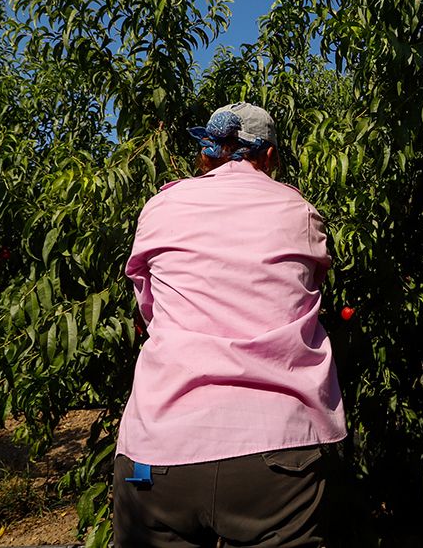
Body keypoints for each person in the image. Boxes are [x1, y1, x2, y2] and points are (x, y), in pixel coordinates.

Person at [113, 102, 347, 548]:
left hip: (157, 452)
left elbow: (150, 308)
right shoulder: (299, 212)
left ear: (206, 154)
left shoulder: (160, 208)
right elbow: (310, 289)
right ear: (271, 156)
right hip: (277, 453)